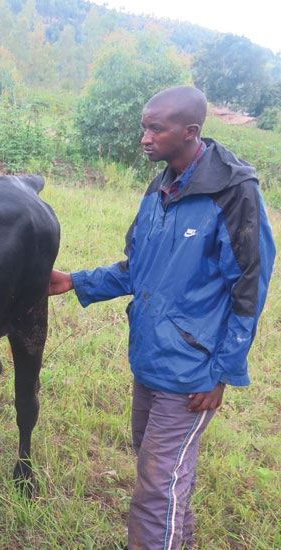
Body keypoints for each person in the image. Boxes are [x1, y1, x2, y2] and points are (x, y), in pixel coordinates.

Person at [49, 85, 275, 549]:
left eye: (156, 129)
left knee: (156, 489)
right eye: (144, 128)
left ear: (190, 131)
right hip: (150, 359)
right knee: (163, 476)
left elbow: (248, 291)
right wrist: (75, 281)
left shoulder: (234, 194)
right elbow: (139, 269)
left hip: (191, 375)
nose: (145, 138)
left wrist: (222, 373)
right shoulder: (160, 188)